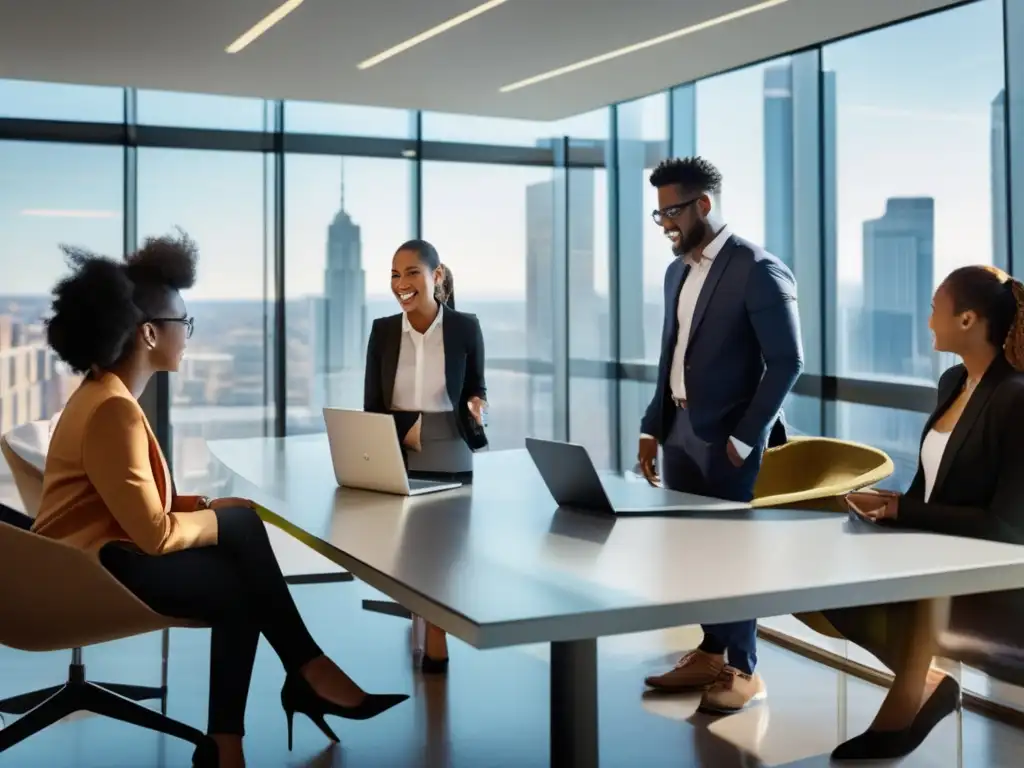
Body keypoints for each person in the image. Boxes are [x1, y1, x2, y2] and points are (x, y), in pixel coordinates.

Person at [32, 233, 407, 768]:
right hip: (91, 569)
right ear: (148, 333)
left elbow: (125, 500)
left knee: (239, 573)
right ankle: (300, 677)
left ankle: (238, 735)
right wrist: (218, 517)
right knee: (242, 539)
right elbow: (153, 534)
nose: (187, 334)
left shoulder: (101, 394)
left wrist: (206, 508)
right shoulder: (113, 409)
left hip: (94, 554)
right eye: (182, 323)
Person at [816, 264, 1024, 762]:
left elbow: (1008, 528)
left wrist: (902, 511)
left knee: (921, 591)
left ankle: (906, 705)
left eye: (936, 310)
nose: (929, 321)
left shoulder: (1016, 398)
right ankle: (929, 684)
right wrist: (889, 508)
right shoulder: (953, 381)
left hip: (993, 574)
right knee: (827, 575)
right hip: (937, 550)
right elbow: (932, 484)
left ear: (968, 320)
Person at [639, 157, 804, 714]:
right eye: (658, 213)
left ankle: (744, 669)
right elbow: (671, 356)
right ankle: (711, 651)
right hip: (680, 430)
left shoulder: (758, 268)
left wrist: (744, 437)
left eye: (672, 211)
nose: (665, 223)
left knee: (732, 555)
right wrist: (652, 425)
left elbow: (787, 361)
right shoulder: (677, 272)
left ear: (704, 204)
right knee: (693, 552)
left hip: (731, 439)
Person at [363, 239, 487, 673]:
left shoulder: (465, 327)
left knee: (444, 550)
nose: (401, 283)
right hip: (400, 447)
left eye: (412, 272)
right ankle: (422, 618)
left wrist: (477, 404)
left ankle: (436, 635)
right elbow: (373, 406)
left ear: (436, 276)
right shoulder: (382, 331)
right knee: (410, 552)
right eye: (395, 275)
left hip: (451, 446)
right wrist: (398, 434)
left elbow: (476, 386)